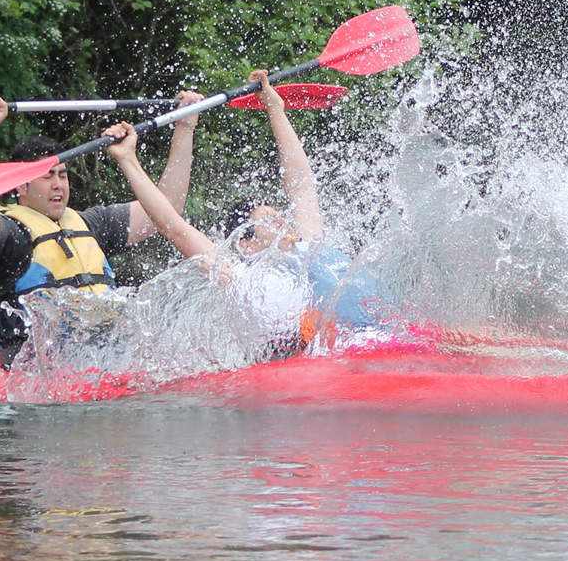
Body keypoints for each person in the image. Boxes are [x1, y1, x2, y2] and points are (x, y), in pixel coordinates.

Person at [103, 71, 390, 351]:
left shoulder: (308, 247)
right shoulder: (241, 280)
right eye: (268, 220)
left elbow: (302, 185)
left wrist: (274, 107)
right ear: (247, 245)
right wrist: (129, 158)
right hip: (320, 365)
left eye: (278, 214)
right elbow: (173, 226)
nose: (282, 219)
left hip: (378, 341)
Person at [0, 90, 203, 363]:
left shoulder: (91, 224)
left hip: (107, 358)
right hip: (30, 368)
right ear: (20, 185)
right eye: (46, 176)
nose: (58, 184)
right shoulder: (9, 236)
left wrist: (185, 126)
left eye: (62, 175)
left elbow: (168, 209)